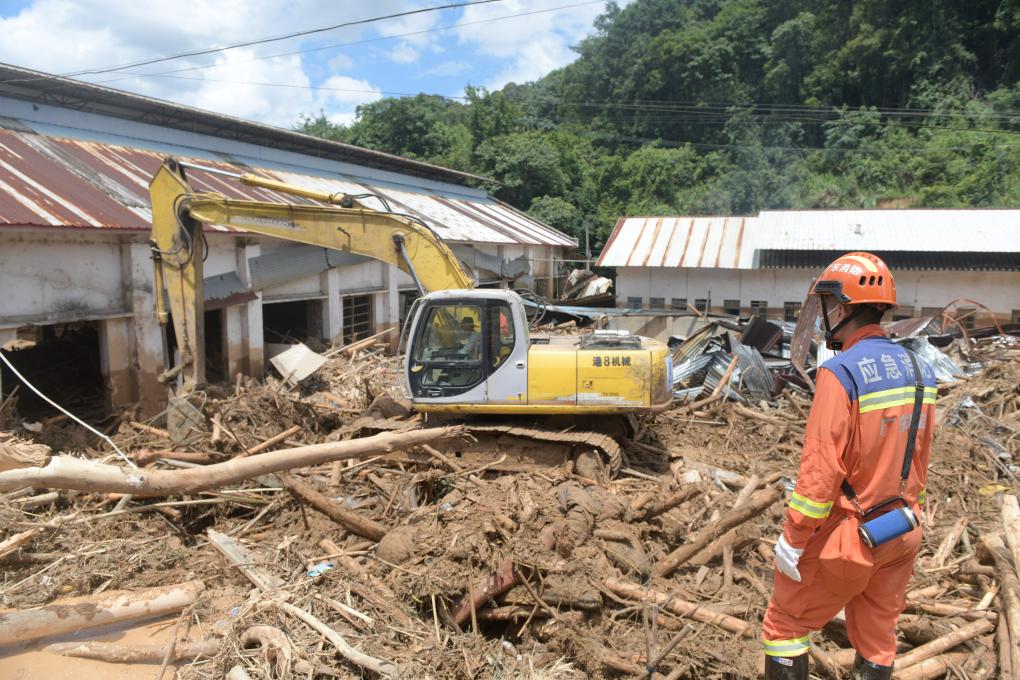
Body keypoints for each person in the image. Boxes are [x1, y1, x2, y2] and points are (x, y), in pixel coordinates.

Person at [762, 252, 936, 679]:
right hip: (903, 529)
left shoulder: (839, 373)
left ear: (841, 308)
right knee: (878, 636)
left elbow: (820, 470)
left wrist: (794, 536)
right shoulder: (921, 370)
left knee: (784, 626)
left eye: (827, 308)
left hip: (850, 539)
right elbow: (920, 457)